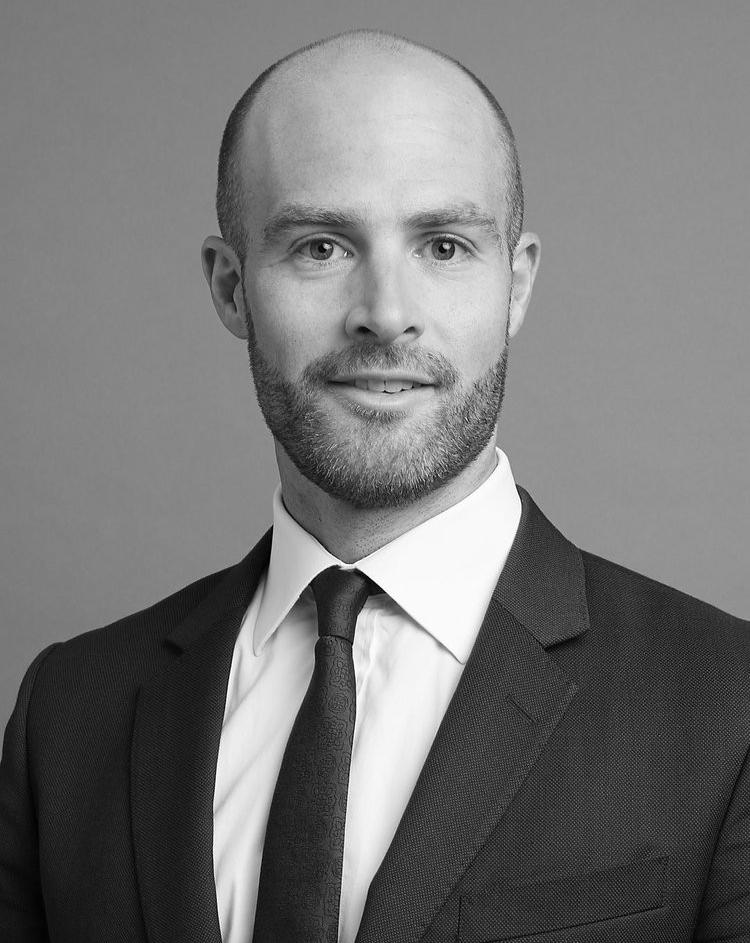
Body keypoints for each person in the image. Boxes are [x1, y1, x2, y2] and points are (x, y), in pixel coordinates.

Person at [1, 27, 748, 943]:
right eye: (320, 246)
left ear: (515, 285)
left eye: (444, 246)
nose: (385, 315)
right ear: (231, 288)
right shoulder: (67, 716)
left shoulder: (727, 706)